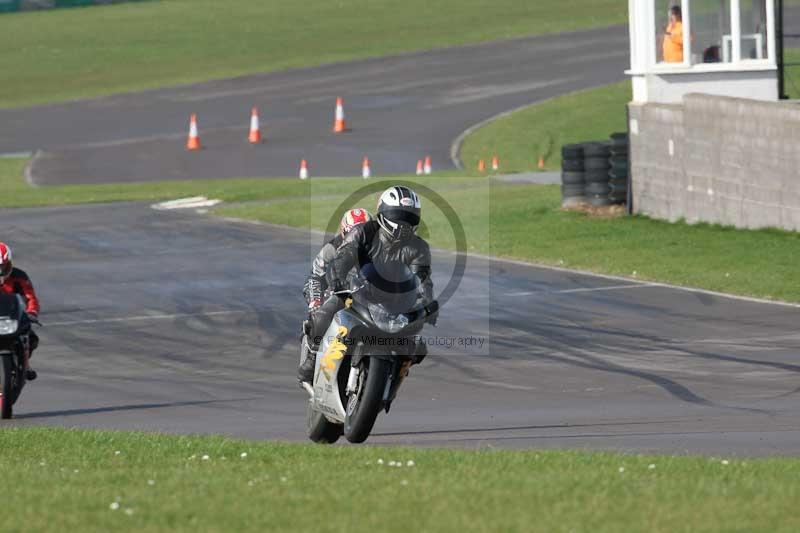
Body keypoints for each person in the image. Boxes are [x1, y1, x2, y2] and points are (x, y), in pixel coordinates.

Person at [298, 186, 435, 383]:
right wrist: (323, 293)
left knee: (417, 345)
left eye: (408, 217)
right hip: (351, 289)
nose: (402, 223)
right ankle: (312, 358)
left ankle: (393, 377)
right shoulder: (346, 241)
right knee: (324, 311)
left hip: (385, 297)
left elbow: (422, 278)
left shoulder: (416, 247)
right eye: (397, 215)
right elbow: (323, 271)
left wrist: (425, 303)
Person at [298, 208, 372, 382]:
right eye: (355, 232)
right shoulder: (333, 248)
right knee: (322, 314)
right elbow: (315, 276)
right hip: (343, 295)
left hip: (369, 297)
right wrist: (315, 301)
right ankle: (313, 356)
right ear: (345, 231)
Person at [0, 242, 39, 381]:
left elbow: (30, 297)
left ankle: (25, 365)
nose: (0, 271)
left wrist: (32, 312)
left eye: (3, 267)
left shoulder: (19, 276)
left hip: (12, 317)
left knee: (32, 338)